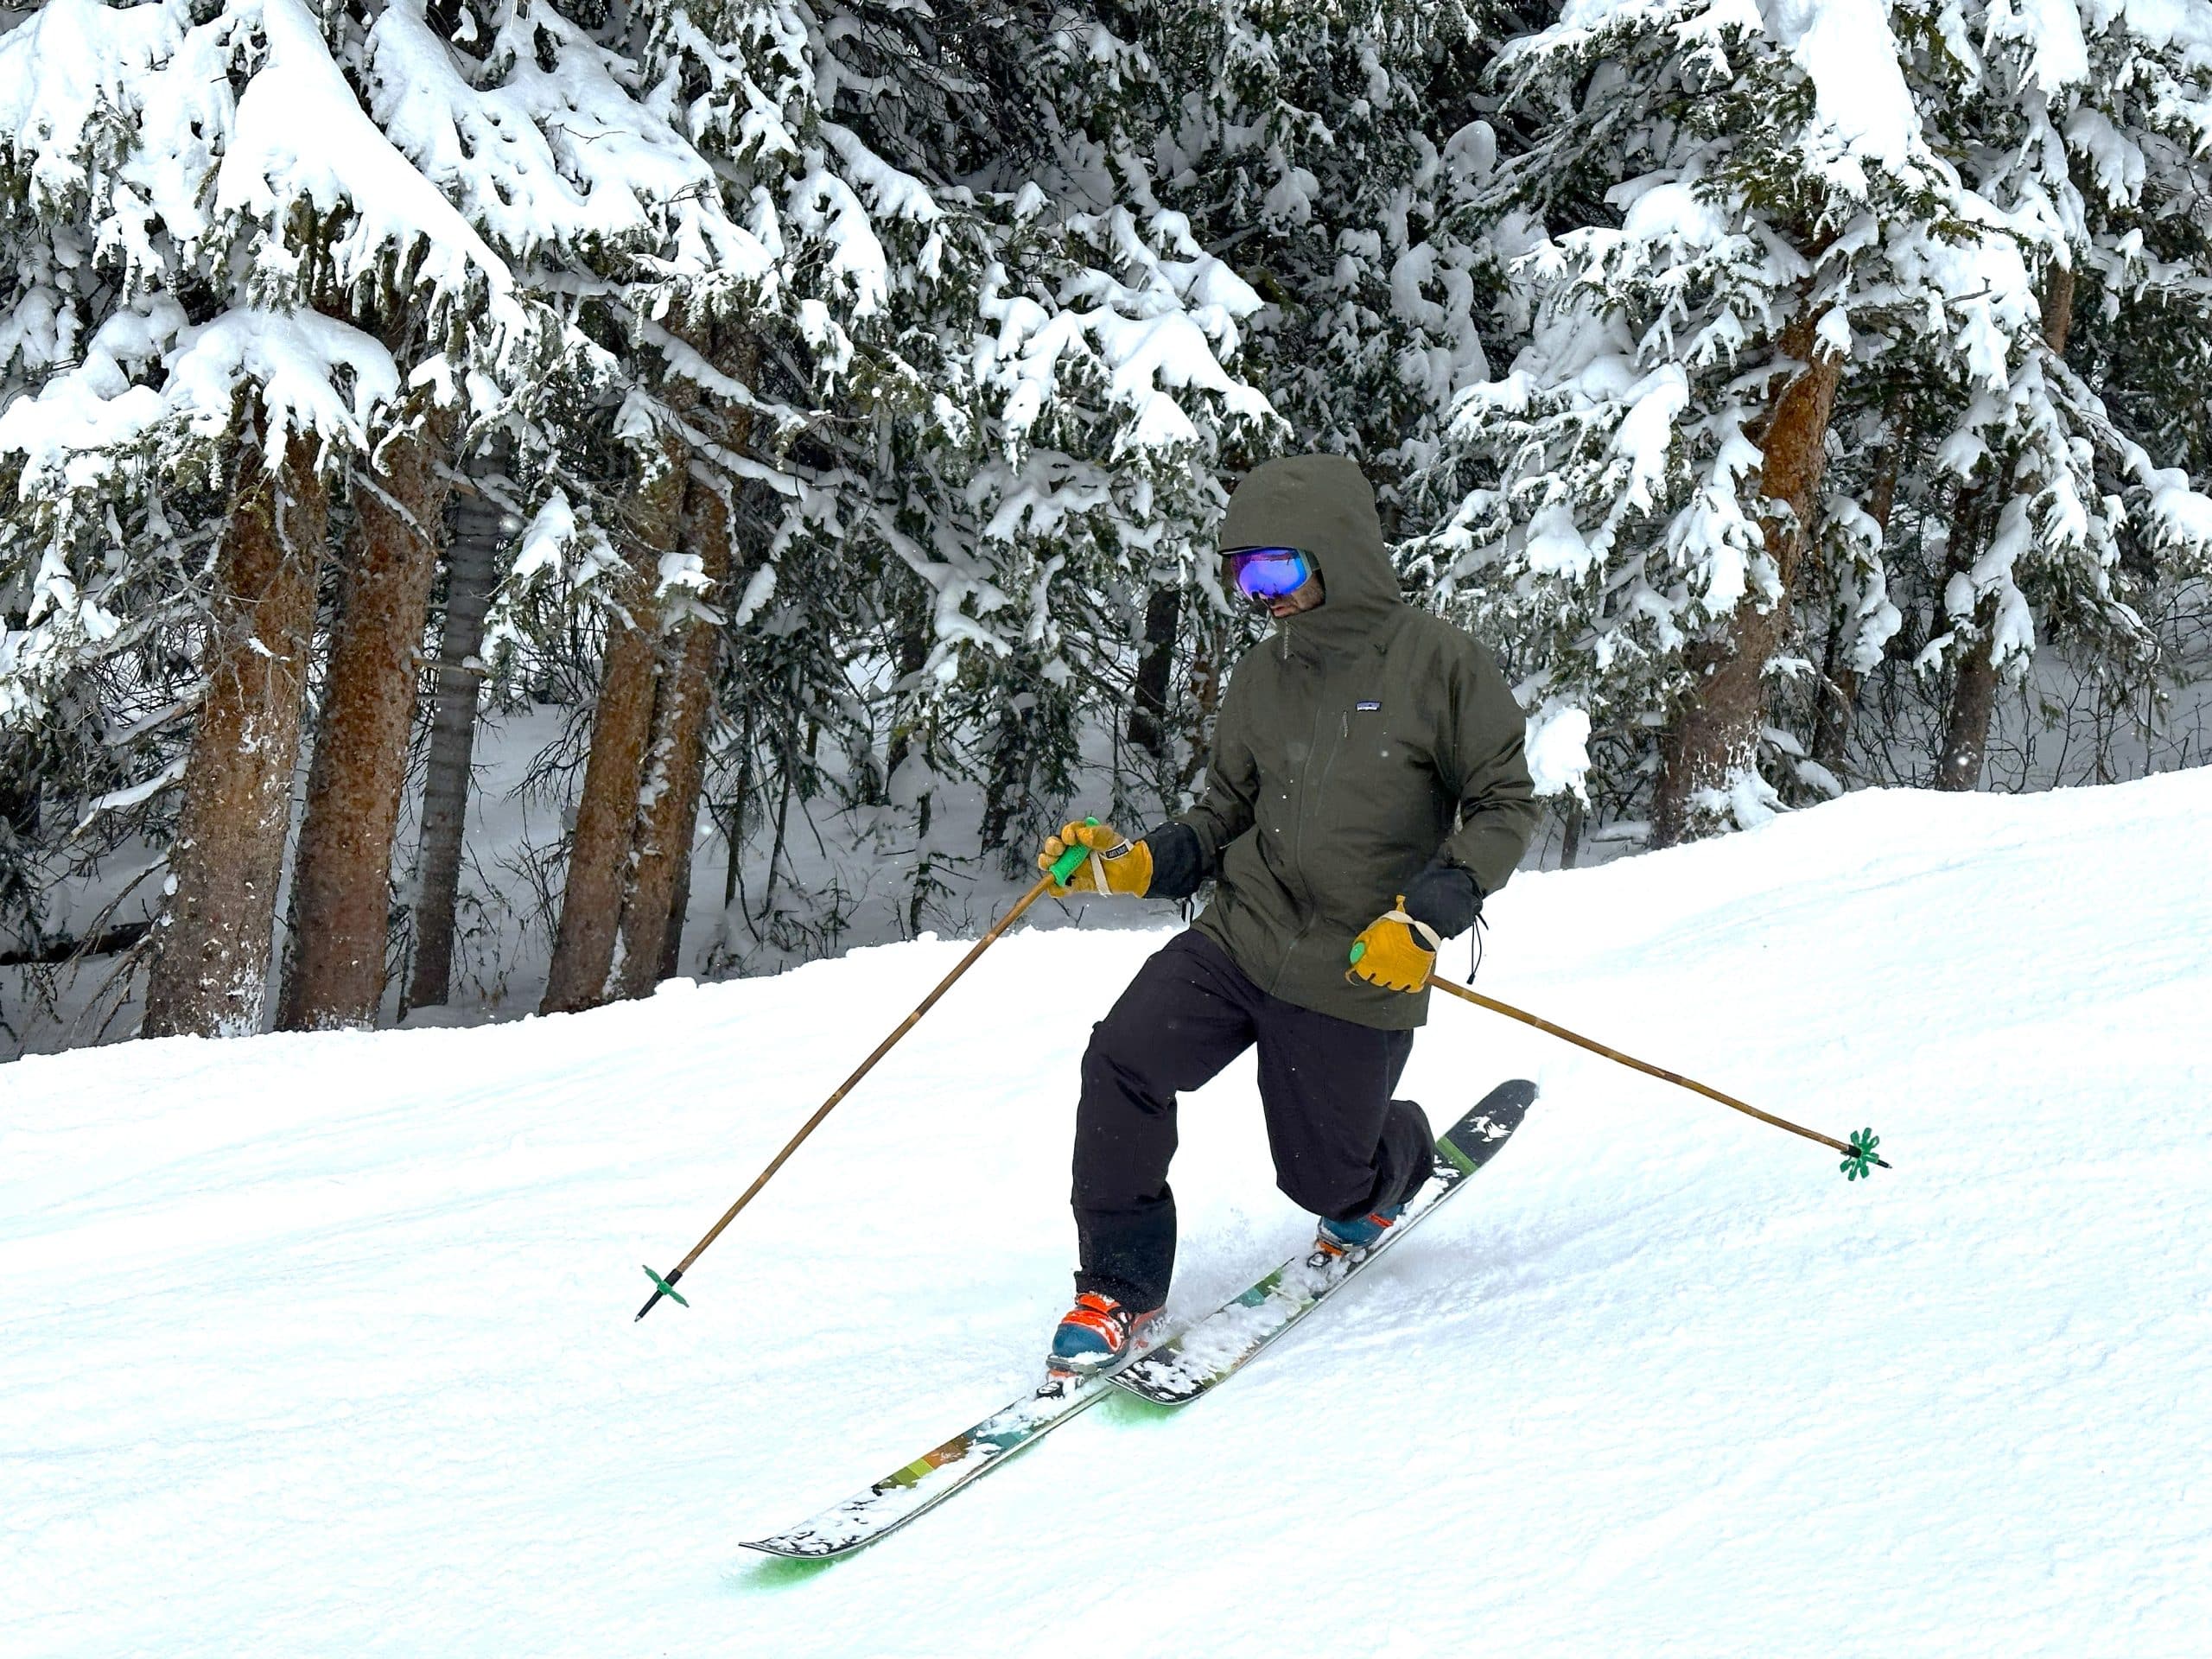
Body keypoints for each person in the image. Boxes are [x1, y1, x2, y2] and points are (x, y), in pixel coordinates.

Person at [1034, 454, 1541, 1376]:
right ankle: (1116, 1288)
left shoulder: (1441, 665)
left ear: (1336, 555)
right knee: (1123, 1060)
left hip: (1361, 958)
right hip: (1242, 937)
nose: (1256, 594)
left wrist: (1426, 919)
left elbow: (1505, 804)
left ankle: (1394, 1153)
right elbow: (1220, 814)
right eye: (1240, 574)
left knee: (1326, 1186)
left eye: (1275, 570)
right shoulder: (1262, 678)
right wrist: (1134, 865)